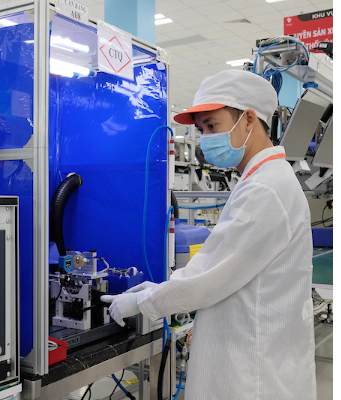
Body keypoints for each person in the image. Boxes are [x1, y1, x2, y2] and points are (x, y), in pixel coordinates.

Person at [101, 69, 316, 399]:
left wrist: (141, 302)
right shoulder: (261, 180)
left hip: (253, 374)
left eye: (212, 126)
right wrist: (159, 290)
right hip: (254, 355)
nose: (205, 139)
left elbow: (209, 281)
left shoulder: (266, 189)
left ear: (248, 119)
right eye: (201, 130)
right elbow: (217, 266)